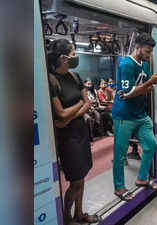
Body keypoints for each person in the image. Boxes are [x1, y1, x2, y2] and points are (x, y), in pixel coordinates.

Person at [47, 39, 99, 224]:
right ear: (63, 58)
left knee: (82, 176)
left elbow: (88, 103)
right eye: (73, 53)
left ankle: (79, 213)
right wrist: (79, 106)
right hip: (67, 140)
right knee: (75, 181)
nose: (75, 56)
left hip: (80, 133)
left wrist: (69, 116)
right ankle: (67, 217)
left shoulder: (75, 77)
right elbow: (60, 113)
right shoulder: (51, 81)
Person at [111, 33, 157, 201]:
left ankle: (142, 178)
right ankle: (119, 188)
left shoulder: (145, 65)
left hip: (140, 115)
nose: (149, 55)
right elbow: (127, 94)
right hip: (124, 116)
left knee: (150, 145)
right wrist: (148, 84)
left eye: (150, 52)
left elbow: (144, 89)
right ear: (138, 47)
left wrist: (150, 83)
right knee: (120, 154)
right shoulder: (126, 65)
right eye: (147, 51)